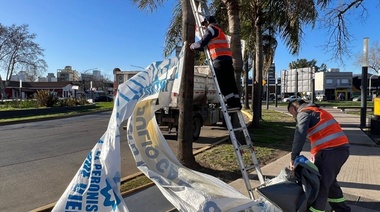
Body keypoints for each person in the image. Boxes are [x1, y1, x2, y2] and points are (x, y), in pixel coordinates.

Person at [287, 99, 351, 212]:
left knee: (321, 185)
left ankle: (316, 210)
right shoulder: (318, 111)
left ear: (293, 108)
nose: (294, 117)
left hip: (330, 152)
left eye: (292, 114)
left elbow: (299, 134)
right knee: (330, 182)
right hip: (339, 150)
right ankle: (342, 209)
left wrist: (294, 156)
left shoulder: (304, 113)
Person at [190, 15, 241, 109]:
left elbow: (201, 43)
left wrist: (192, 46)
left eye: (204, 24)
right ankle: (237, 103)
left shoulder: (211, 29)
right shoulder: (220, 31)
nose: (204, 27)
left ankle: (231, 103)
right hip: (227, 59)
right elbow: (207, 47)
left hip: (219, 60)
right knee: (231, 82)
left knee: (223, 83)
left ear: (207, 22)